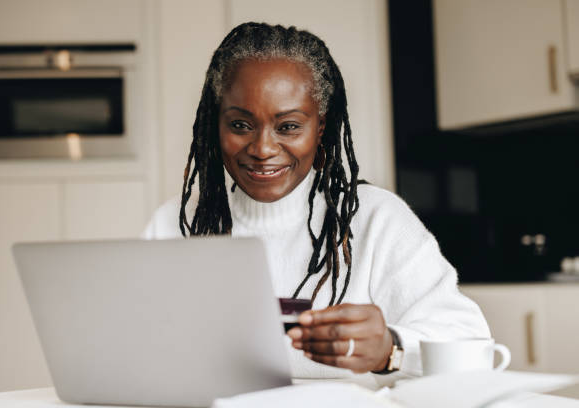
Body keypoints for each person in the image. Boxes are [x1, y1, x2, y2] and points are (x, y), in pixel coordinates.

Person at [143, 22, 489, 378]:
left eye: (288, 126)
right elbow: (134, 346)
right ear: (214, 126)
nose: (262, 149)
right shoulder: (174, 223)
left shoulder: (375, 218)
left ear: (319, 128)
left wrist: (390, 349)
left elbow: (472, 343)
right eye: (240, 125)